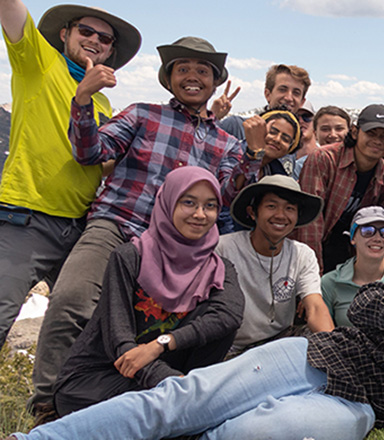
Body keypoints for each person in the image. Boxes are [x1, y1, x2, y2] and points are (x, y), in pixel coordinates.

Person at [11, 253, 384, 440]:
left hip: (361, 407)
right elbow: (371, 304)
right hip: (319, 355)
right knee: (176, 401)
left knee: (247, 434)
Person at [30, 36, 258, 415]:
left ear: (215, 82)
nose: (192, 77)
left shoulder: (226, 143)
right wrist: (83, 101)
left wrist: (253, 154)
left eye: (203, 70)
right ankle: (48, 407)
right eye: (182, 68)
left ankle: (175, 400)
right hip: (119, 224)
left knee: (192, 317)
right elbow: (91, 153)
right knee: (72, 302)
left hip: (184, 247)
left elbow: (231, 198)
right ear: (168, 78)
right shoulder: (141, 114)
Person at [0, 1, 140, 347]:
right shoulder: (38, 63)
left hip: (79, 227)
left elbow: (96, 161)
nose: (95, 40)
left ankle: (53, 401)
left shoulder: (104, 106)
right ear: (64, 34)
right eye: (86, 31)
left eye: (104, 38)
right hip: (27, 220)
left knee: (81, 325)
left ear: (110, 51)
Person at [51, 167, 243, 417]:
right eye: (188, 202)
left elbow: (230, 316)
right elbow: (119, 341)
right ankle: (185, 407)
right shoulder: (130, 257)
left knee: (217, 321)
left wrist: (161, 345)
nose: (200, 214)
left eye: (210, 206)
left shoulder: (217, 268)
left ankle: (181, 405)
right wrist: (175, 384)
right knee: (156, 407)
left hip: (166, 381)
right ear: (168, 203)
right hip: (101, 377)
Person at [218, 175, 334, 352]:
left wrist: (333, 348)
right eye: (271, 206)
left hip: (280, 343)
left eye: (289, 208)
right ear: (252, 212)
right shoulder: (223, 248)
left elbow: (315, 306)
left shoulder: (302, 254)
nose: (281, 215)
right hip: (230, 347)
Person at [294, 104, 384, 273]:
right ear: (355, 132)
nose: (377, 141)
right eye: (371, 133)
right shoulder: (324, 159)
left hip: (351, 255)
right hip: (313, 248)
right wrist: (312, 275)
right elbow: (310, 220)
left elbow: (380, 232)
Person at [320, 206, 384, 328]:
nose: (377, 238)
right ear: (353, 238)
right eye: (368, 231)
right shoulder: (330, 282)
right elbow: (323, 332)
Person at [215, 64, 309, 139]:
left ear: (302, 102)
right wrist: (214, 116)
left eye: (296, 93)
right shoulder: (237, 126)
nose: (289, 98)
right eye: (282, 90)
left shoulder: (294, 141)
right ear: (268, 94)